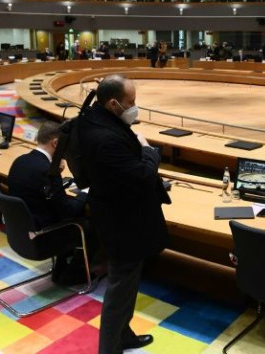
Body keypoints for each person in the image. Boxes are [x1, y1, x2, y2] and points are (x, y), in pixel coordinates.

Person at [76, 75, 170, 353]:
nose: (135, 107)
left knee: (127, 285)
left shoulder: (92, 118)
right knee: (120, 288)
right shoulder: (106, 138)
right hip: (123, 223)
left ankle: (123, 335)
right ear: (113, 103)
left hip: (117, 213)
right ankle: (110, 347)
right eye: (131, 102)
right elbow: (142, 175)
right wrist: (149, 150)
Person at [7, 121, 91, 284]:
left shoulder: (20, 161)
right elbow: (68, 210)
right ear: (56, 143)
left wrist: (56, 178)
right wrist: (86, 193)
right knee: (89, 224)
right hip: (43, 237)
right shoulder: (47, 171)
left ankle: (62, 266)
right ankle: (74, 274)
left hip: (21, 234)